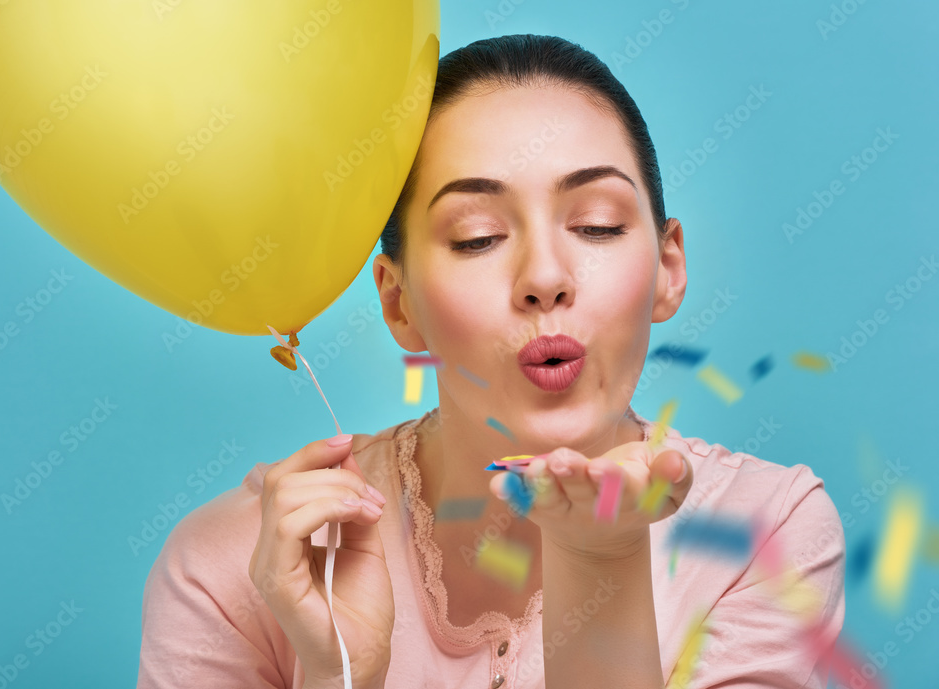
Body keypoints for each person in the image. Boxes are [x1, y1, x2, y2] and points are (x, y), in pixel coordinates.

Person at [137, 34, 845, 688]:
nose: (544, 276)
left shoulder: (764, 533)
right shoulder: (236, 564)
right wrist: (342, 674)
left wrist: (603, 562)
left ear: (667, 267)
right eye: (476, 236)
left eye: (597, 223)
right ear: (397, 301)